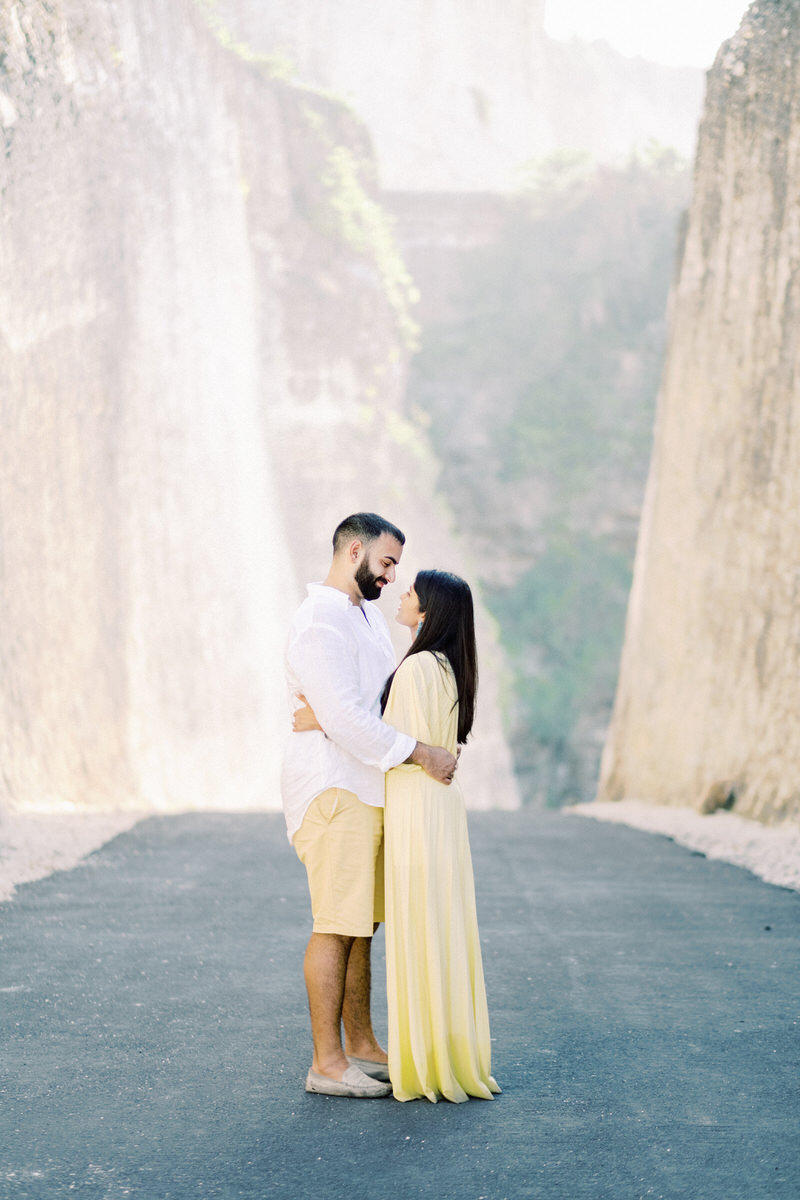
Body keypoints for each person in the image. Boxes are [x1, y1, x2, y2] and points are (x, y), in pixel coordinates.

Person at [282, 513, 458, 1099]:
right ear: (354, 549)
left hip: (367, 785)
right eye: (385, 563)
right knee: (336, 924)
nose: (391, 576)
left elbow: (373, 704)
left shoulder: (364, 617)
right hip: (333, 790)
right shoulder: (320, 621)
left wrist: (334, 720)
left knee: (363, 924)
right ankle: (325, 1063)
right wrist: (421, 754)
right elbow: (349, 719)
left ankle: (358, 1044)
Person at [381, 569, 500, 1102]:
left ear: (428, 610)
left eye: (411, 592)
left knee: (419, 928)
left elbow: (390, 745)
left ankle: (424, 1063)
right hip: (443, 811)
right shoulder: (452, 669)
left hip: (414, 805)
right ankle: (450, 1055)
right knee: (442, 929)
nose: (402, 595)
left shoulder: (414, 670)